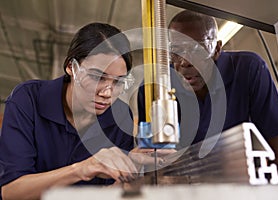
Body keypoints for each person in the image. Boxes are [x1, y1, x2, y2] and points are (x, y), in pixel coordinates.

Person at [0, 22, 167, 200]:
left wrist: (131, 169)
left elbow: (111, 193)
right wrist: (83, 169)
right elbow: (12, 191)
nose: (107, 93)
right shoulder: (28, 100)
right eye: (97, 77)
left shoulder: (120, 116)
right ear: (71, 67)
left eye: (118, 82)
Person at [138, 10, 278, 181]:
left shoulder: (248, 70)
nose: (185, 61)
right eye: (176, 50)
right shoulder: (153, 88)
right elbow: (150, 160)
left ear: (217, 48)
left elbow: (277, 145)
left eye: (197, 50)